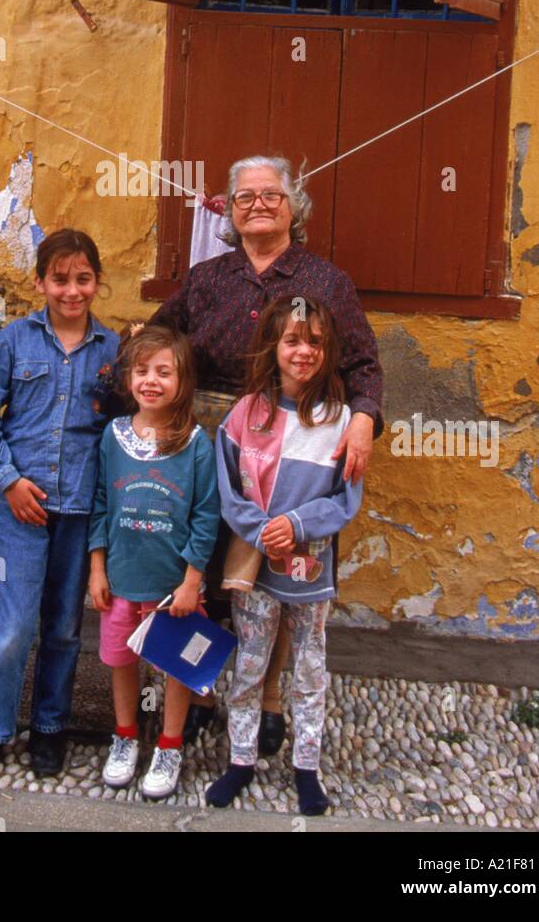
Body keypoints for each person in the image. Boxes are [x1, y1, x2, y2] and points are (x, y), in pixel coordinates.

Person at [151, 153, 382, 752]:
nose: (257, 205)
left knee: (279, 566)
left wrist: (362, 422)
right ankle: (197, 687)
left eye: (270, 195)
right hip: (212, 439)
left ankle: (272, 696)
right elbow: (160, 338)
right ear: (228, 209)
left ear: (293, 208)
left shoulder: (325, 282)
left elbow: (361, 363)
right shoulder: (207, 279)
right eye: (245, 196)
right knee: (202, 564)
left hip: (297, 438)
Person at [0, 229, 119, 782]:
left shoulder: (114, 350)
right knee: (12, 626)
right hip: (21, 507)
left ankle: (50, 727)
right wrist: (9, 482)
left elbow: (121, 431)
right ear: (40, 282)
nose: (71, 291)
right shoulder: (14, 341)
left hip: (81, 509)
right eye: (60, 279)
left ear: (97, 282)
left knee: (63, 628)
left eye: (83, 279)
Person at [206, 296, 362, 815]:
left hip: (309, 571)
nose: (304, 352)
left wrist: (296, 524)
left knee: (310, 668)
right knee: (249, 665)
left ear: (329, 349)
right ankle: (242, 759)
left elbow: (346, 498)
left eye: (315, 342)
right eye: (292, 340)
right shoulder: (246, 414)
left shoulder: (340, 422)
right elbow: (227, 490)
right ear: (272, 346)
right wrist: (258, 528)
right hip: (254, 567)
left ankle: (307, 768)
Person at [88, 325, 220, 801]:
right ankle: (124, 737)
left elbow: (207, 515)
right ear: (128, 379)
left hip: (173, 590)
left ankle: (169, 744)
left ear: (183, 382)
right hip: (123, 578)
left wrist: (192, 581)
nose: (151, 381)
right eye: (141, 370)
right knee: (122, 661)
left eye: (164, 372)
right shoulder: (113, 437)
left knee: (175, 666)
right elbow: (100, 502)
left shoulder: (196, 443)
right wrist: (97, 568)